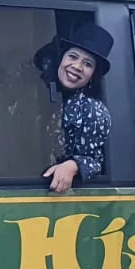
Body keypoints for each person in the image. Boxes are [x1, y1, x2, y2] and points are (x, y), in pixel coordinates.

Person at [37, 23, 114, 193]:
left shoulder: (93, 110)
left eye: (88, 64)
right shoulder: (39, 93)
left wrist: (73, 166)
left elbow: (95, 162)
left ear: (92, 75)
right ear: (61, 59)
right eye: (73, 56)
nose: (77, 66)